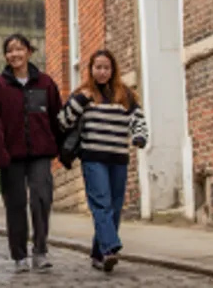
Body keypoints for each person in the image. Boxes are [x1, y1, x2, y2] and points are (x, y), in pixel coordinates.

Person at [57, 49, 148, 273]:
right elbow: (62, 122)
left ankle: (99, 255)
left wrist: (139, 136)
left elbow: (138, 119)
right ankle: (110, 248)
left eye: (106, 68)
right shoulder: (83, 95)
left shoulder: (124, 95)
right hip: (93, 159)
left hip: (118, 159)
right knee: (101, 204)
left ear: (113, 70)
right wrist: (80, 101)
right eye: (98, 67)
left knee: (115, 207)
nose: (102, 72)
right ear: (91, 69)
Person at [0, 33, 64, 273]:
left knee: (41, 199)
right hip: (11, 156)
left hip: (41, 153)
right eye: (10, 50)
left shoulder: (45, 83)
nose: (15, 54)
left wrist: (62, 149)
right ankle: (19, 255)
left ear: (29, 52)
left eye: (19, 49)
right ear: (5, 56)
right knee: (15, 204)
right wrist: (0, 156)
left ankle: (40, 251)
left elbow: (57, 118)